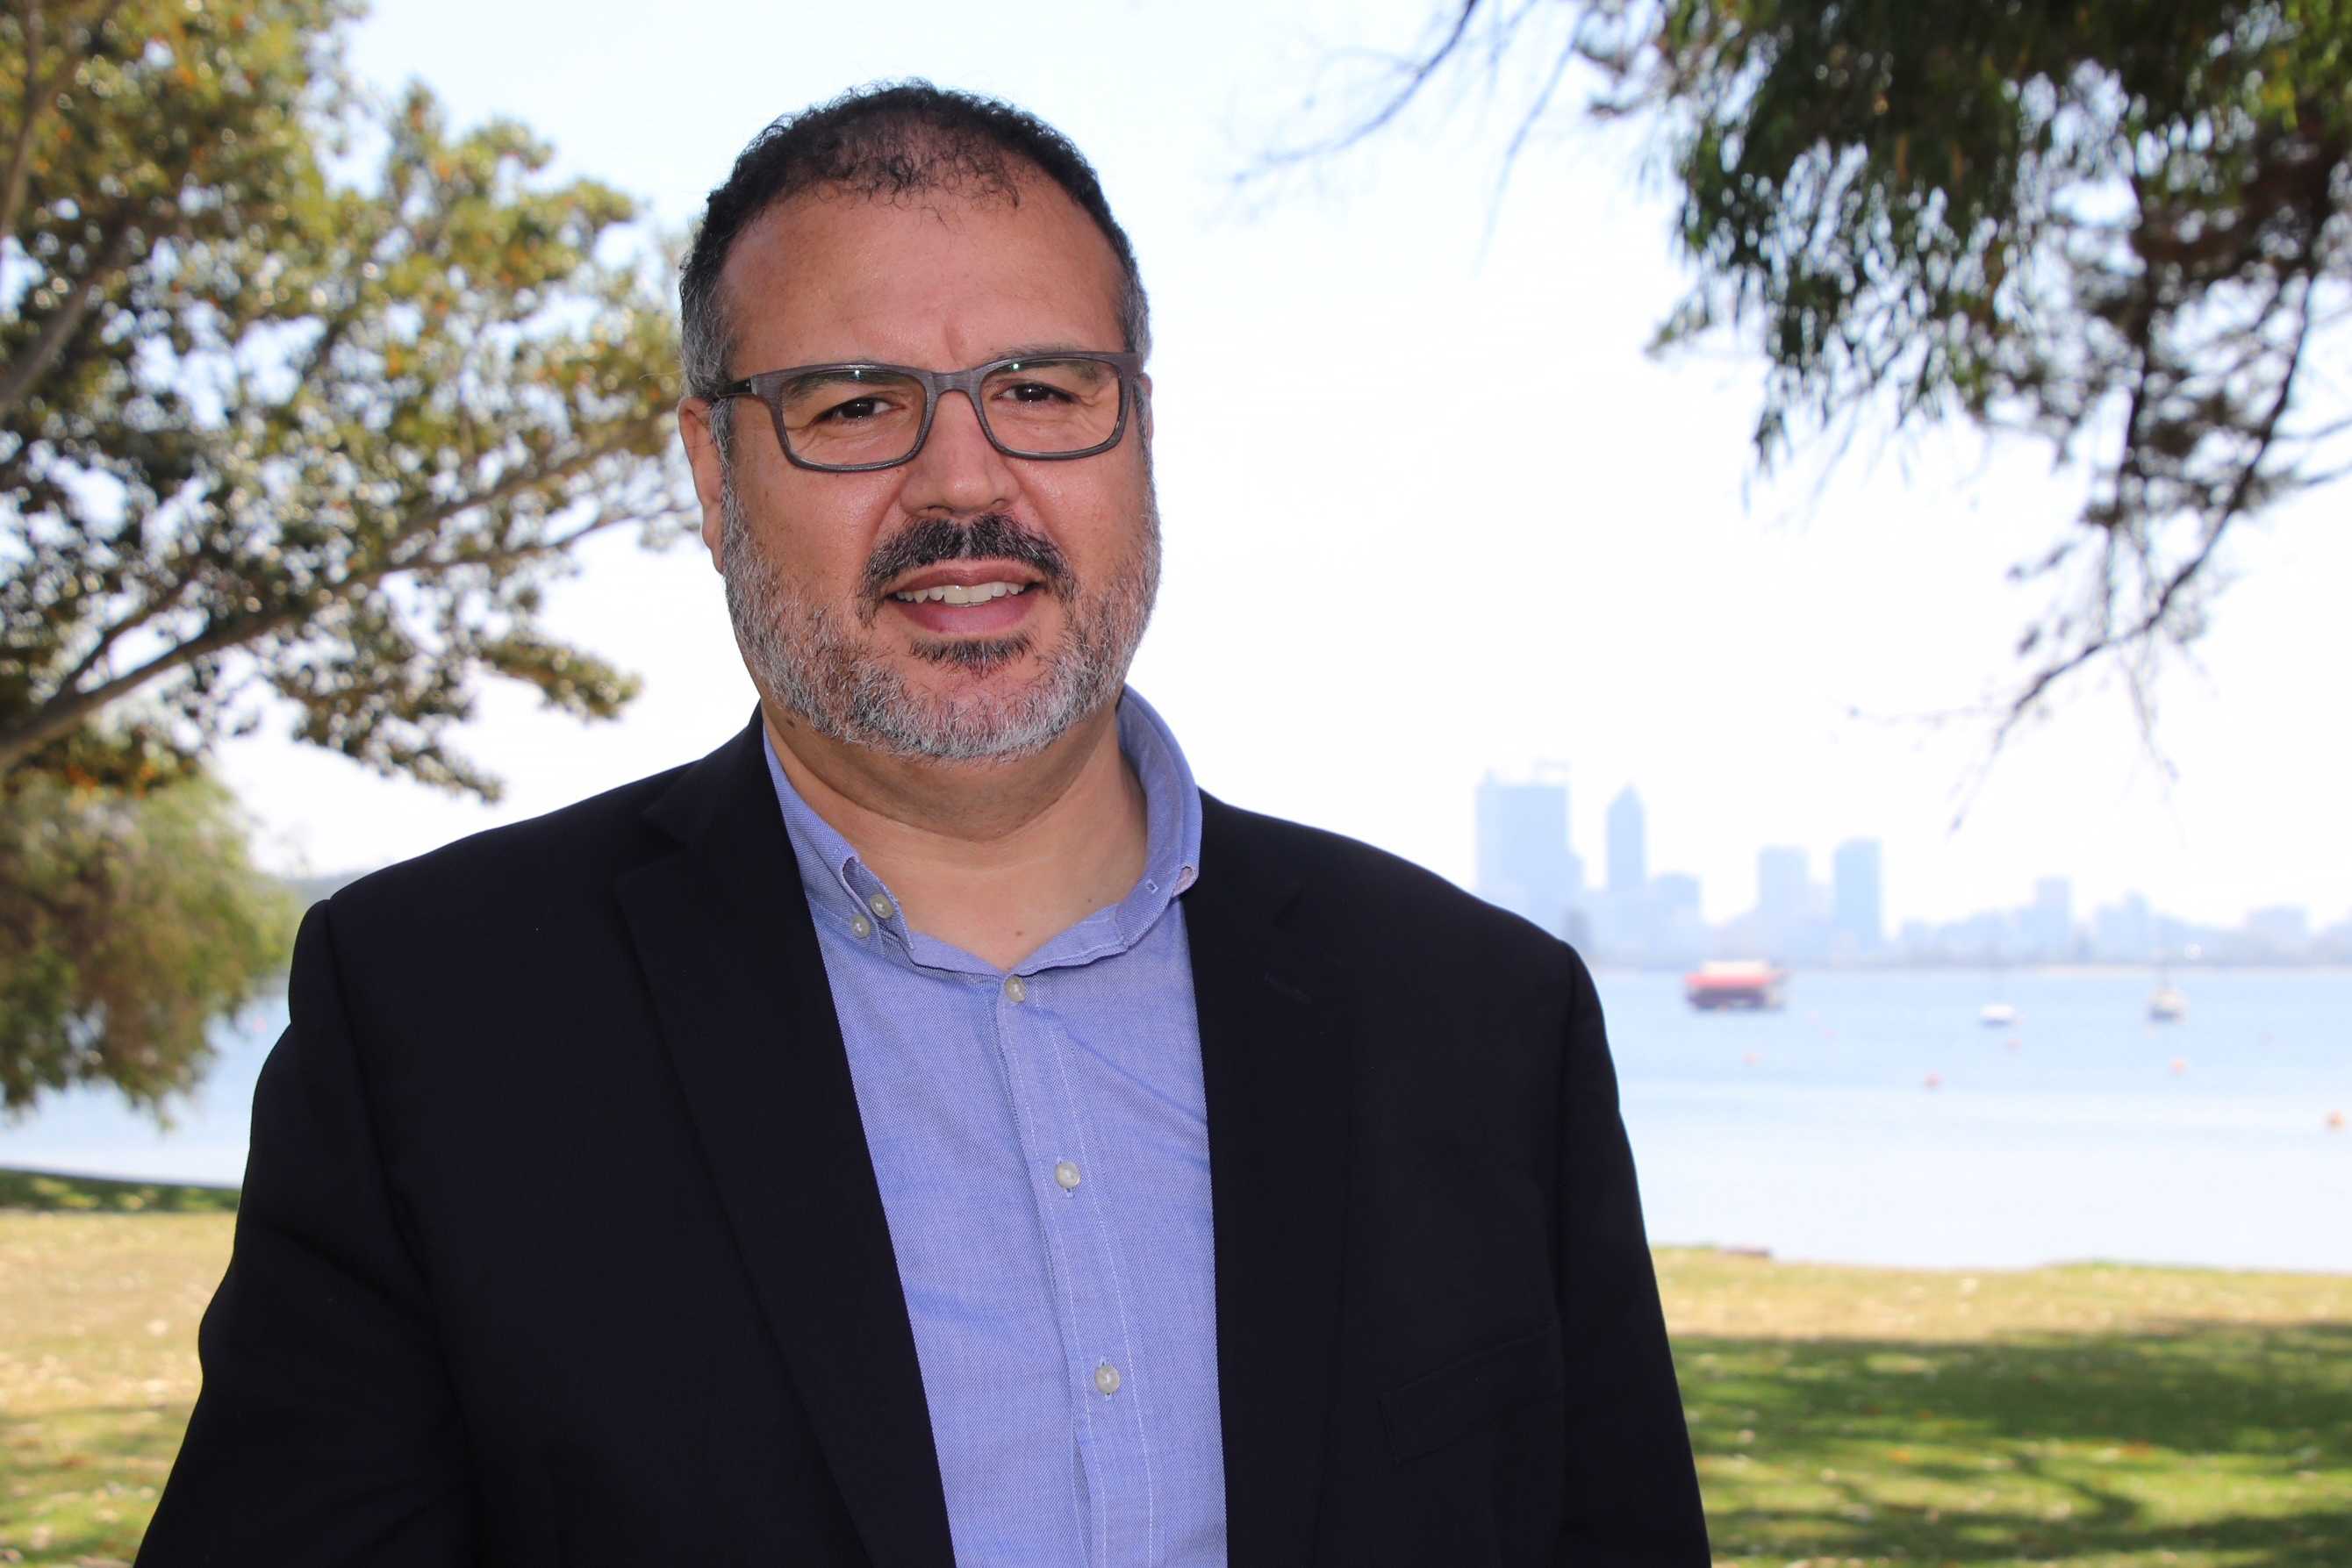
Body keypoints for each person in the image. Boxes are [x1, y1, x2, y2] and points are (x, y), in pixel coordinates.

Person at [137, 83, 1709, 1567]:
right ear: (711, 469)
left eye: (1041, 390)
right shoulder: (440, 1019)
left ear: (1139, 434)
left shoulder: (1489, 1024)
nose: (966, 481)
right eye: (854, 403)